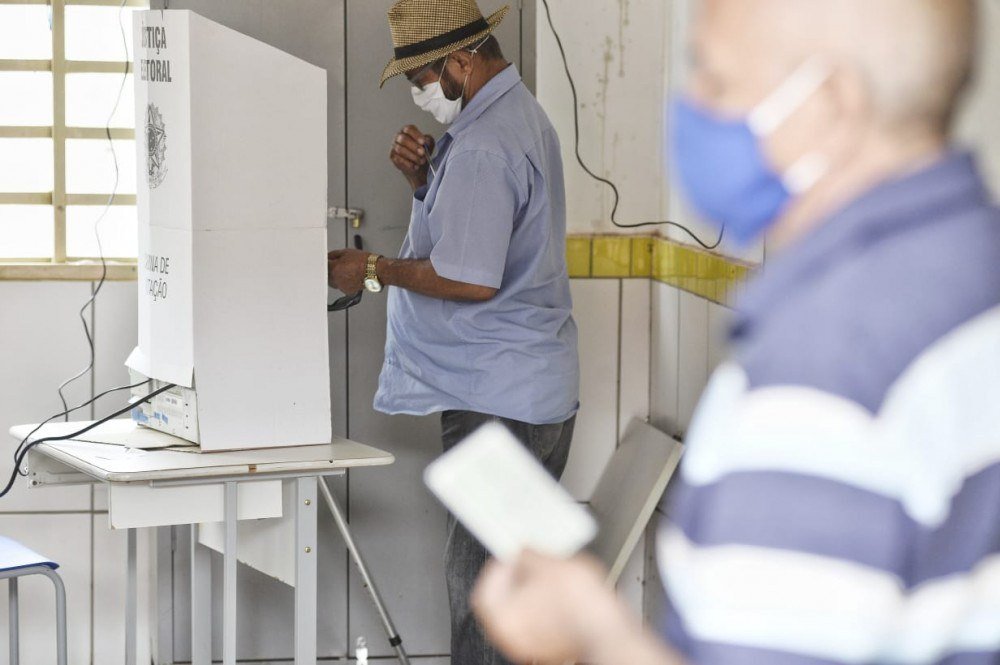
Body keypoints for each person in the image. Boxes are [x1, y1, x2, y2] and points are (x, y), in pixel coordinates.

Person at [472, 0, 1000, 663]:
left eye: (716, 82)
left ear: (829, 101)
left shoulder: (819, 380)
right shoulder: (974, 272)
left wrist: (593, 637)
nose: (691, 108)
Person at [327, 1, 579, 663]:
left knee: (482, 597)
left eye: (422, 78)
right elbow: (483, 242)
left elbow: (471, 278)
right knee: (507, 586)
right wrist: (422, 183)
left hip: (500, 403)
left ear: (462, 64)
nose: (418, 94)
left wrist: (372, 268)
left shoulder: (486, 145)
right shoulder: (515, 120)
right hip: (528, 390)